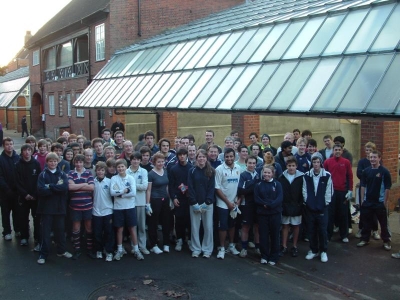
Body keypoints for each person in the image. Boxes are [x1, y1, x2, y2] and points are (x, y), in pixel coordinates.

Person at [36, 152, 72, 264]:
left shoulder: (61, 174)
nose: (53, 163)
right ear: (47, 162)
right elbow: (41, 190)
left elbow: (64, 188)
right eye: (50, 161)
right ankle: (43, 254)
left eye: (55, 161)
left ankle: (61, 251)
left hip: (59, 208)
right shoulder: (42, 175)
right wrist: (56, 188)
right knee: (45, 233)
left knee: (60, 231)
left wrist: (50, 186)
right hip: (46, 209)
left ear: (58, 162)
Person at [357, 151, 392, 251]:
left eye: (374, 157)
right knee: (366, 222)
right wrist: (362, 200)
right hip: (368, 202)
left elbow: (387, 188)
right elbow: (363, 186)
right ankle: (365, 239)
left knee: (383, 223)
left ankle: (386, 241)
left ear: (379, 158)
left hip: (379, 202)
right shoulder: (366, 171)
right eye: (371, 157)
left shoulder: (384, 171)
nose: (372, 159)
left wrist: (385, 202)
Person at [110, 159, 143, 261]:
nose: (120, 168)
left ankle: (136, 249)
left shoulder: (131, 178)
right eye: (118, 167)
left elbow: (133, 193)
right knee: (119, 229)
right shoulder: (114, 178)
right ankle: (120, 249)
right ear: (116, 168)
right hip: (118, 208)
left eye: (122, 166)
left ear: (125, 167)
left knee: (132, 228)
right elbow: (112, 192)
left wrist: (120, 195)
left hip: (130, 207)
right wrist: (123, 191)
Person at [302, 152, 333, 263]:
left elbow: (329, 192)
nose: (316, 164)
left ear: (321, 163)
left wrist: (324, 203)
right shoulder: (307, 175)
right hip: (310, 208)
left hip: (322, 208)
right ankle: (313, 250)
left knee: (322, 230)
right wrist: (308, 202)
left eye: (318, 162)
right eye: (314, 162)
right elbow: (304, 191)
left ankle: (323, 251)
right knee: (311, 230)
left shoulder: (327, 175)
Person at [188, 149, 215, 258]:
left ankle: (207, 249)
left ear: (206, 158)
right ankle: (196, 249)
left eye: (203, 157)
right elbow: (190, 187)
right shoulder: (192, 170)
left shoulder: (211, 171)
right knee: (195, 227)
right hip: (194, 203)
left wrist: (207, 202)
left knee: (208, 227)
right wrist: (194, 202)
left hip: (207, 204)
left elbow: (211, 188)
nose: (201, 159)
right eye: (199, 157)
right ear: (196, 158)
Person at [324, 144, 353, 243]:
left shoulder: (346, 162)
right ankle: (328, 235)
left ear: (342, 151)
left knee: (343, 214)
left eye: (339, 150)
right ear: (333, 150)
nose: (337, 151)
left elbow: (350, 176)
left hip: (342, 192)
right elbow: (324, 176)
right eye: (335, 149)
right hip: (331, 192)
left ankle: (344, 235)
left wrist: (350, 190)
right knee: (330, 214)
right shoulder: (327, 162)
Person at [215, 148, 241, 259]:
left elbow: (241, 187)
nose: (229, 158)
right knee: (223, 226)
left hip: (234, 203)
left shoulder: (238, 168)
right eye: (227, 156)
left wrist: (238, 201)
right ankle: (221, 248)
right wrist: (227, 203)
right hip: (222, 203)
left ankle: (231, 245)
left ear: (234, 157)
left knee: (232, 225)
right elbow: (217, 188)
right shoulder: (219, 169)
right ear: (224, 157)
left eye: (231, 156)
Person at [254, 165, 283, 265]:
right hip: (262, 214)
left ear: (272, 174)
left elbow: (279, 198)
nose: (266, 174)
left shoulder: (277, 184)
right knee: (263, 236)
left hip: (275, 214)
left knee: (275, 235)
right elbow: (257, 198)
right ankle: (264, 256)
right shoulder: (258, 185)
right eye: (265, 172)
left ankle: (274, 257)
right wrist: (264, 204)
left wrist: (271, 205)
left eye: (268, 172)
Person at [68, 154, 95, 259]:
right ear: (74, 163)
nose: (78, 164)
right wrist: (84, 185)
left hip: (87, 205)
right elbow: (70, 187)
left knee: (89, 228)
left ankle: (89, 249)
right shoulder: (71, 173)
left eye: (80, 162)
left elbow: (92, 187)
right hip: (75, 206)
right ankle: (77, 250)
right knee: (76, 229)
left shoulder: (88, 173)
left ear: (83, 163)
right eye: (77, 162)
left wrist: (76, 186)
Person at [15, 144, 41, 248]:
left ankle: (37, 238)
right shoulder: (17, 165)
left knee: (36, 218)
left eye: (29, 150)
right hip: (23, 197)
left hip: (35, 197)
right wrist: (25, 194)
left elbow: (39, 180)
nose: (27, 152)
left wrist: (34, 194)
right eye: (25, 150)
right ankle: (24, 237)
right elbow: (17, 182)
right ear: (22, 152)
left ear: (32, 151)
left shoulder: (36, 164)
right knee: (23, 217)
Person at [278, 156, 304, 257]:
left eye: (293, 166)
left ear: (296, 166)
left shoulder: (301, 177)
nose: (291, 168)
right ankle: (284, 246)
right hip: (285, 205)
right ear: (286, 166)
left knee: (296, 226)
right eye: (289, 165)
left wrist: (300, 204)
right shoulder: (282, 177)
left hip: (297, 205)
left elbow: (303, 192)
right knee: (285, 226)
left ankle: (294, 246)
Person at [146, 152, 171, 254]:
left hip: (165, 199)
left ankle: (166, 243)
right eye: (158, 162)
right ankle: (153, 245)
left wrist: (169, 198)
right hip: (155, 200)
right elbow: (148, 190)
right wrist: (147, 204)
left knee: (166, 222)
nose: (160, 163)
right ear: (154, 162)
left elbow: (167, 186)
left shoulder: (165, 171)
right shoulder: (151, 174)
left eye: (162, 161)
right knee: (153, 223)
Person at [169, 148, 192, 253]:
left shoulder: (191, 168)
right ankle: (179, 239)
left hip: (189, 198)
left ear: (187, 155)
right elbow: (171, 186)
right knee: (179, 220)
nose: (182, 156)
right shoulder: (173, 169)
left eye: (184, 154)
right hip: (178, 199)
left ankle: (190, 240)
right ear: (177, 156)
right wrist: (173, 197)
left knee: (189, 220)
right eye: (180, 155)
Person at [356, 142, 380, 239]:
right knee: (363, 209)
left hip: (374, 188)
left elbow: (379, 173)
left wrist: (367, 174)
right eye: (366, 150)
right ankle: (362, 228)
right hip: (363, 187)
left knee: (374, 211)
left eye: (370, 150)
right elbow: (359, 174)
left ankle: (375, 230)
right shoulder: (362, 162)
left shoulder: (377, 161)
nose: (368, 152)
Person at [237, 155, 260, 258]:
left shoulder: (258, 174)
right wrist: (253, 187)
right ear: (246, 163)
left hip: (257, 204)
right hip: (246, 205)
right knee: (245, 227)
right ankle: (244, 248)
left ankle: (258, 247)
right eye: (249, 163)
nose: (251, 165)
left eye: (253, 163)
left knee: (257, 226)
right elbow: (241, 190)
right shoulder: (243, 175)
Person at [127, 152, 149, 255]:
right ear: (130, 160)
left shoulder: (144, 171)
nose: (135, 161)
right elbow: (124, 187)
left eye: (137, 159)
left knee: (142, 226)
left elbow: (145, 187)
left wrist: (132, 185)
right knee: (132, 226)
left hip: (140, 202)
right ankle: (134, 246)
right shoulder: (126, 172)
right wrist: (136, 186)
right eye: (133, 159)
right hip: (129, 203)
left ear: (140, 161)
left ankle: (142, 246)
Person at [92, 162, 114, 262]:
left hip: (108, 211)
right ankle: (99, 250)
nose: (100, 172)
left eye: (102, 170)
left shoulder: (109, 181)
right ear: (95, 171)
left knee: (108, 232)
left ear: (105, 171)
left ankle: (109, 251)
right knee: (97, 232)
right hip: (96, 211)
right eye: (98, 170)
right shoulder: (92, 182)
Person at [0, 137, 20, 240]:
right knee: (5, 213)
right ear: (4, 146)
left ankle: (17, 229)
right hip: (5, 192)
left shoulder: (17, 158)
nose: (9, 146)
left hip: (17, 191)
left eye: (11, 144)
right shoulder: (1, 159)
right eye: (7, 144)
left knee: (17, 212)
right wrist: (7, 189)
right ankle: (7, 232)